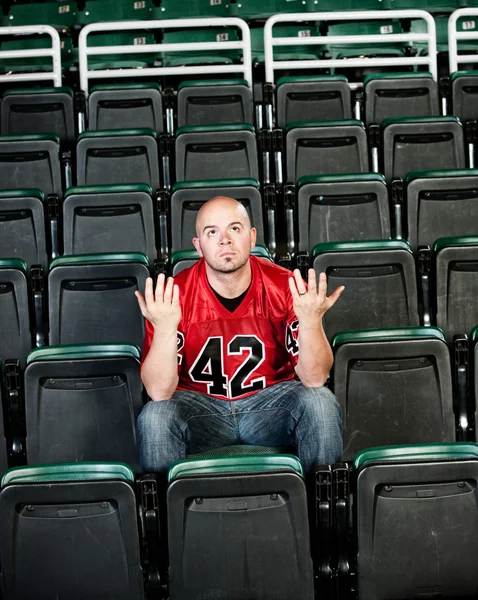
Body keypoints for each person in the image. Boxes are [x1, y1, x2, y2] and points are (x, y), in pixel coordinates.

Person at [135, 196, 344, 474]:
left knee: (319, 401)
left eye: (234, 228)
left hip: (268, 407)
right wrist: (164, 328)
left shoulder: (286, 287)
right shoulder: (173, 296)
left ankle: (323, 508)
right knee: (155, 416)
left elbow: (315, 378)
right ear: (198, 246)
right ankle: (167, 513)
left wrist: (310, 322)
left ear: (251, 237)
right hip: (202, 411)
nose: (225, 240)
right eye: (212, 232)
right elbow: (159, 392)